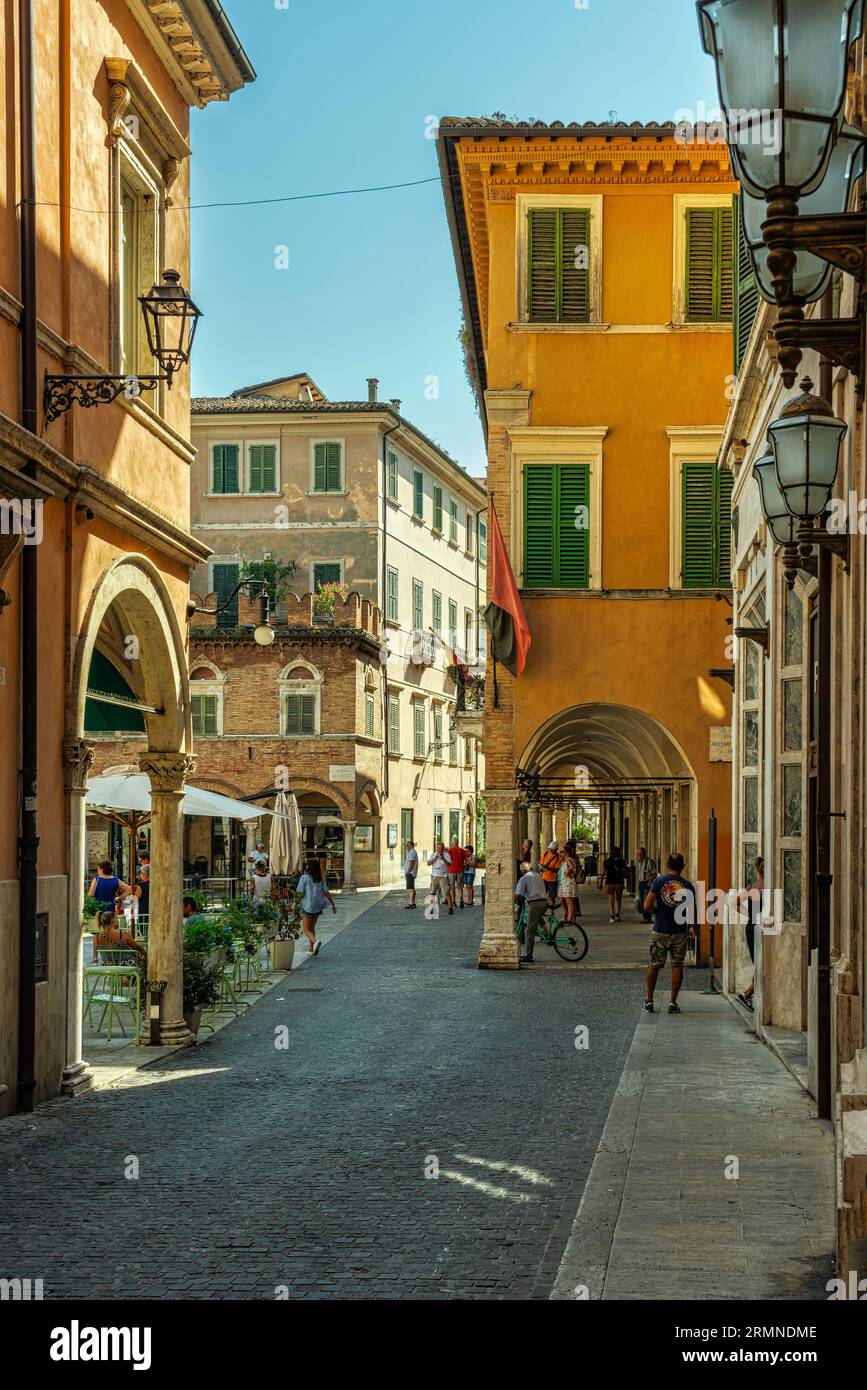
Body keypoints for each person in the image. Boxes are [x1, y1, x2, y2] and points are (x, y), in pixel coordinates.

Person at [642, 853, 696, 1015]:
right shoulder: (687, 885)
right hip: (679, 931)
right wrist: (692, 927)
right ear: (683, 866)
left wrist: (656, 912)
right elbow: (691, 911)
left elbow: (646, 904)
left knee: (655, 964)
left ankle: (649, 1001)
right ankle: (672, 1002)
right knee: (677, 966)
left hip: (660, 930)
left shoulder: (659, 882)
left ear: (667, 865)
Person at [735, 856, 763, 1012]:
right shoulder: (767, 887)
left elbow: (734, 902)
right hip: (760, 927)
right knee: (760, 965)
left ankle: (748, 995)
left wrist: (749, 914)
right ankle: (747, 994)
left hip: (751, 926)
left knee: (758, 964)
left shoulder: (753, 886)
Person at [295, 857, 336, 955]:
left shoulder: (304, 878)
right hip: (318, 906)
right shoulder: (320, 878)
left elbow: (299, 893)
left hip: (308, 906)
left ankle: (315, 941)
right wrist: (333, 905)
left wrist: (294, 903)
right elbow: (326, 893)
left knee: (305, 928)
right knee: (311, 927)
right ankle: (311, 948)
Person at [515, 863, 549, 964]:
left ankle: (528, 955)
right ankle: (546, 932)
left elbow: (518, 894)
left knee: (530, 930)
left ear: (522, 871)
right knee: (537, 917)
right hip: (544, 902)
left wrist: (512, 901)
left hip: (535, 903)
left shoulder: (524, 878)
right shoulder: (537, 875)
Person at [558, 838, 585, 925]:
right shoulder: (565, 860)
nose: (560, 853)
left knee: (570, 903)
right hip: (565, 884)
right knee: (565, 901)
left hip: (569, 883)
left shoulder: (569, 860)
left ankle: (569, 920)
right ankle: (570, 917)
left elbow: (572, 869)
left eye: (562, 851)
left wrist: (568, 872)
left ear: (567, 852)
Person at [601, 846, 628, 922]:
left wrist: (600, 881)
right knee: (618, 899)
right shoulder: (622, 861)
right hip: (619, 882)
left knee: (611, 899)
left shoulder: (606, 862)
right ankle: (617, 915)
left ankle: (611, 916)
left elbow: (603, 873)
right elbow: (625, 871)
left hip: (609, 882)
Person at [427, 842, 452, 914]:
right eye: (438, 848)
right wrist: (435, 858)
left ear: (443, 848)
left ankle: (450, 908)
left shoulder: (447, 855)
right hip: (434, 876)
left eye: (441, 848)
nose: (440, 850)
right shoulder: (433, 854)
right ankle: (432, 907)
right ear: (436, 848)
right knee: (432, 893)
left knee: (447, 893)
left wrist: (443, 859)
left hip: (444, 876)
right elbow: (428, 863)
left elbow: (449, 865)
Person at [635, 847, 658, 924]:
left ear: (644, 853)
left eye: (641, 853)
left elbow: (654, 873)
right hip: (641, 883)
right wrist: (638, 882)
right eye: (638, 854)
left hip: (647, 883)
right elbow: (637, 873)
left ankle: (647, 918)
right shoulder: (638, 863)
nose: (640, 855)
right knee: (641, 901)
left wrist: (650, 881)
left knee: (646, 900)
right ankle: (645, 917)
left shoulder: (649, 861)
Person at [539, 841, 561, 907]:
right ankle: (542, 908)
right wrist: (548, 869)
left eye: (553, 849)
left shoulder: (558, 857)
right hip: (544, 878)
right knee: (542, 895)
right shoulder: (545, 854)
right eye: (551, 848)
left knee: (552, 896)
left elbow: (556, 869)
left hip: (552, 880)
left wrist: (546, 869)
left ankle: (552, 911)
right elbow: (541, 865)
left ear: (556, 849)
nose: (552, 850)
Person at [448, 836, 465, 909]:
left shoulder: (450, 850)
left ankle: (454, 902)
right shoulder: (461, 850)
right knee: (459, 886)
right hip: (460, 870)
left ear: (452, 842)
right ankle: (461, 900)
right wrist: (466, 864)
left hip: (451, 870)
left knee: (452, 887)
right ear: (458, 842)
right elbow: (470, 856)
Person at [403, 840, 419, 909]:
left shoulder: (412, 852)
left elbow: (411, 863)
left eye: (408, 845)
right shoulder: (411, 852)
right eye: (406, 845)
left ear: (412, 846)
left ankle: (410, 904)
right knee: (412, 888)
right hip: (411, 873)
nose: (406, 846)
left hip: (410, 873)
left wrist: (408, 871)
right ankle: (413, 903)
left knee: (410, 889)